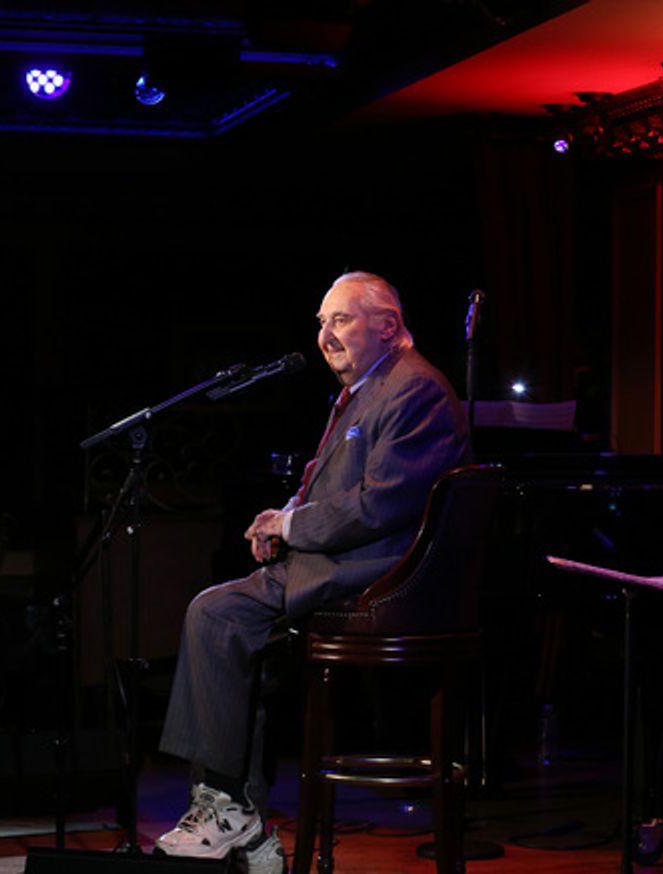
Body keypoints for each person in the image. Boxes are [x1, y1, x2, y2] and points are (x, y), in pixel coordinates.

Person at [155, 271, 471, 862]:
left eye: (341, 320)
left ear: (388, 325)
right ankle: (233, 808)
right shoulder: (369, 387)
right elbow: (335, 482)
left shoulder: (414, 389)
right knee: (222, 618)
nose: (325, 335)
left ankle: (230, 807)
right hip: (344, 559)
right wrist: (287, 513)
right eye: (322, 323)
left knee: (218, 615)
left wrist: (293, 528)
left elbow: (384, 501)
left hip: (378, 576)